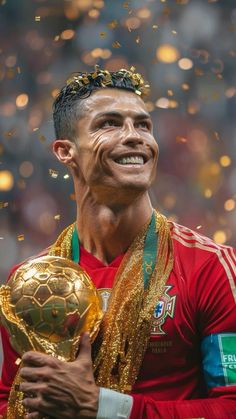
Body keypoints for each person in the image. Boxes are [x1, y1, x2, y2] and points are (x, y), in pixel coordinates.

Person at [0, 68, 235, 419]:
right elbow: (9, 399)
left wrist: (104, 408)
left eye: (143, 125)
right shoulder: (33, 283)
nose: (135, 137)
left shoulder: (210, 267)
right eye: (109, 123)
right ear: (66, 151)